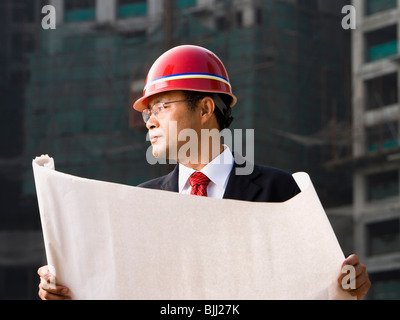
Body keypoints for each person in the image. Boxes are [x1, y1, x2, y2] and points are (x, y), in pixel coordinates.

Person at [38, 45, 370, 300]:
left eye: (163, 106)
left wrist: (342, 289)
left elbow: (310, 286)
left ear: (206, 108)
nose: (150, 121)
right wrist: (69, 289)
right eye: (149, 112)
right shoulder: (142, 203)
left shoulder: (280, 192)